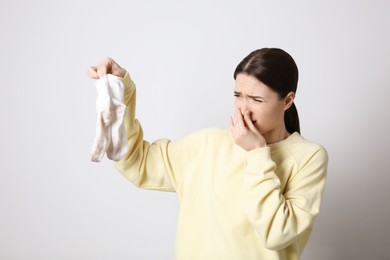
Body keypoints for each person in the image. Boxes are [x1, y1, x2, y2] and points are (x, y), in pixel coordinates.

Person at [87, 48, 328, 260]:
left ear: (287, 101)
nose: (243, 108)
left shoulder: (309, 157)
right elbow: (137, 162)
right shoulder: (209, 143)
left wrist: (257, 152)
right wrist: (122, 90)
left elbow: (276, 233)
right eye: (238, 96)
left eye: (256, 99)